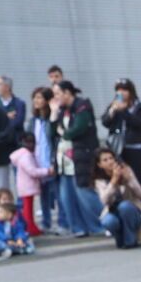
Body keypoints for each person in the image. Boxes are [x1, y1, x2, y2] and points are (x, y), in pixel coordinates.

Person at [52, 81, 109, 238]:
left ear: (67, 93)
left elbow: (77, 130)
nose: (55, 98)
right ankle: (77, 227)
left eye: (58, 94)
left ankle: (104, 223)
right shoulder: (62, 110)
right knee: (67, 196)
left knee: (84, 192)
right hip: (64, 159)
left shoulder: (82, 106)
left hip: (82, 155)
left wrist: (63, 132)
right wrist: (53, 115)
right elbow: (52, 132)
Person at [102, 79, 141, 215]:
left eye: (124, 89)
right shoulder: (114, 105)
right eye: (118, 89)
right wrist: (113, 111)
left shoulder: (138, 107)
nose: (121, 92)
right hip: (117, 148)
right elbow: (105, 122)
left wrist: (124, 112)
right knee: (121, 178)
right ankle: (125, 208)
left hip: (134, 147)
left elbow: (140, 124)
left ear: (131, 91)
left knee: (139, 179)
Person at [95, 150, 141, 248]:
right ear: (100, 165)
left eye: (111, 158)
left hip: (132, 211)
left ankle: (130, 241)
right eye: (105, 160)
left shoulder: (126, 170)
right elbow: (104, 200)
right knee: (107, 221)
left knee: (125, 206)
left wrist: (130, 180)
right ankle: (120, 238)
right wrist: (113, 182)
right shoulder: (100, 180)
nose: (110, 162)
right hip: (113, 212)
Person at [26, 86, 60, 233]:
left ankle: (62, 222)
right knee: (44, 195)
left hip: (50, 160)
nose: (36, 101)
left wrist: (53, 162)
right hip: (38, 161)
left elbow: (54, 140)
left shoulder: (51, 119)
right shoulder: (34, 121)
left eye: (40, 98)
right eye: (35, 98)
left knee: (58, 193)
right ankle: (46, 222)